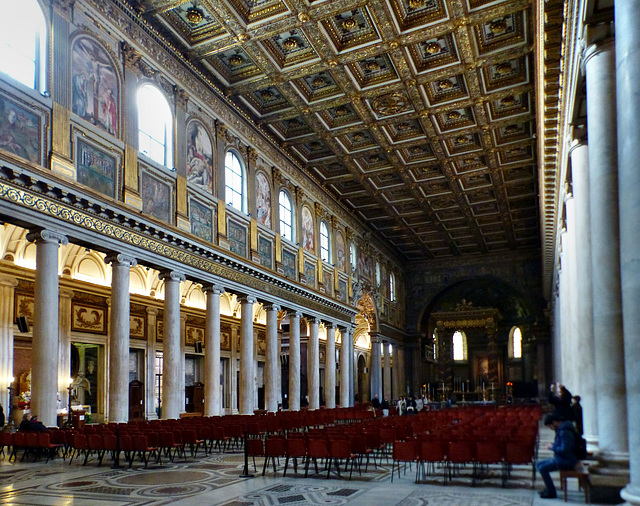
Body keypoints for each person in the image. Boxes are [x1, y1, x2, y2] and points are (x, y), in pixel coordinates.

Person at [536, 413, 578, 499]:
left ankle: (551, 492)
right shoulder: (562, 429)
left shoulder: (564, 431)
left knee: (542, 468)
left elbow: (565, 449)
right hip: (562, 458)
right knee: (539, 464)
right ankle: (548, 488)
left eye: (550, 426)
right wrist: (554, 445)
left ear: (554, 422)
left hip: (566, 460)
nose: (551, 428)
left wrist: (552, 447)